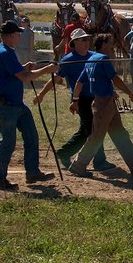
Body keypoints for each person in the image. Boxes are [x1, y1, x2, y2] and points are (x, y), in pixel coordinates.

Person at [68, 33, 133, 178]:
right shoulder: (103, 59)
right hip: (104, 103)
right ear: (103, 45)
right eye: (110, 43)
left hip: (104, 102)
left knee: (120, 133)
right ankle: (78, 165)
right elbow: (115, 79)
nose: (112, 46)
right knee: (96, 137)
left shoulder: (91, 59)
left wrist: (75, 100)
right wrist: (129, 93)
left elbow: (80, 82)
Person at [33, 28, 114, 171]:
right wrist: (42, 94)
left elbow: (103, 77)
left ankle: (65, 153)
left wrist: (111, 91)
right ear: (74, 43)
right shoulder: (67, 61)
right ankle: (99, 161)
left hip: (96, 97)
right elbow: (55, 79)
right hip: (81, 99)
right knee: (94, 130)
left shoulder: (94, 56)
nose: (86, 42)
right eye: (83, 40)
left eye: (87, 39)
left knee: (88, 130)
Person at [0, 19, 58, 191]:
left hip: (15, 104)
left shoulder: (3, 50)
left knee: (31, 135)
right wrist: (46, 70)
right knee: (8, 142)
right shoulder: (6, 52)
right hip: (8, 105)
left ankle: (32, 172)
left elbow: (15, 71)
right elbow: (25, 77)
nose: (20, 36)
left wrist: (24, 67)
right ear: (11, 35)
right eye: (18, 34)